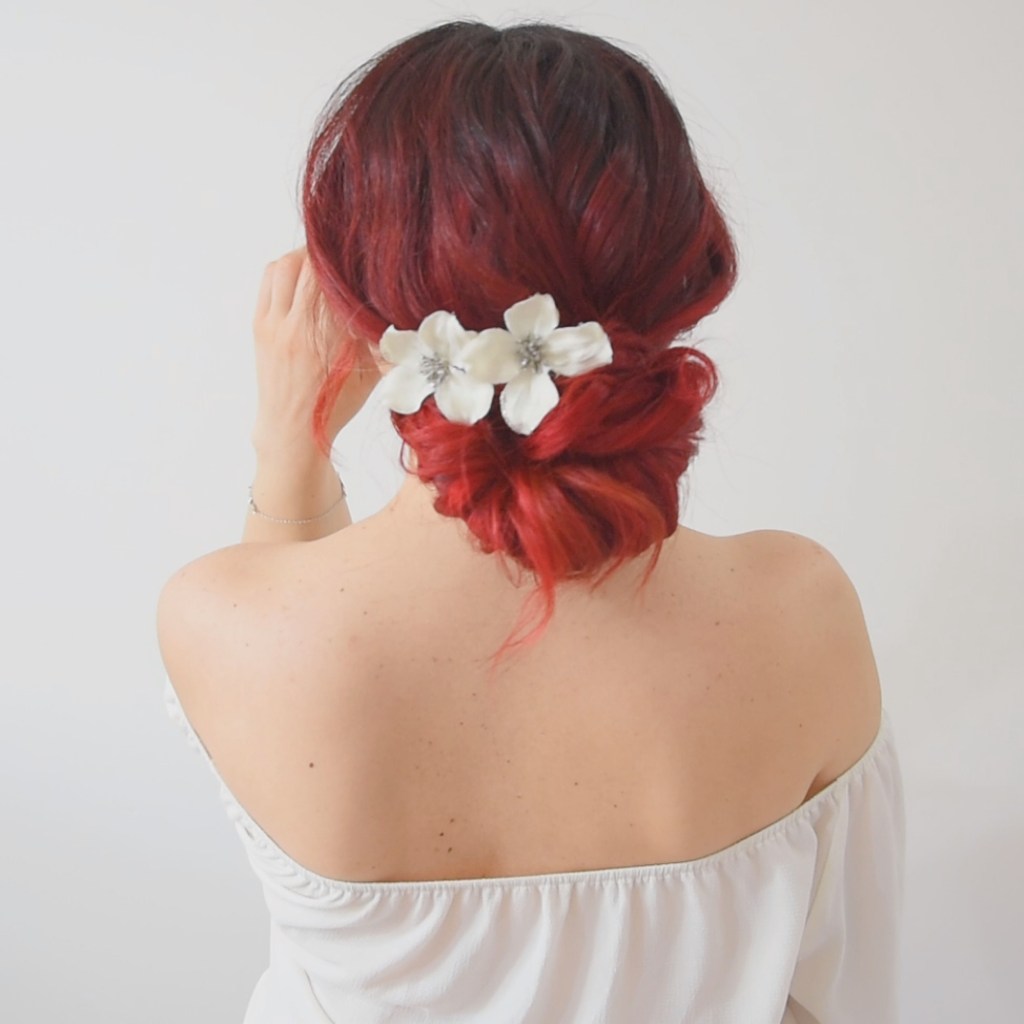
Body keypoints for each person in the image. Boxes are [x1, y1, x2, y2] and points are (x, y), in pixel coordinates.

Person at [157, 19, 905, 1023]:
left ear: (354, 302)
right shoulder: (799, 612)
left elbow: (299, 640)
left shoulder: (225, 622)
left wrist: (288, 451)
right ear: (678, 267)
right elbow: (833, 999)